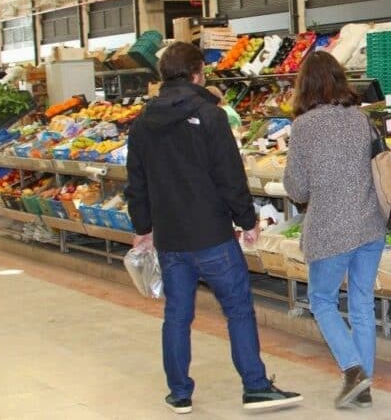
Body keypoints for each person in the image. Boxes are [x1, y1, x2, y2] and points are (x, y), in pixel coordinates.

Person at [125, 42, 302, 414]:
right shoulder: (210, 116)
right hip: (213, 237)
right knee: (237, 309)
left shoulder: (143, 122)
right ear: (197, 74)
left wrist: (144, 227)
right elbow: (229, 176)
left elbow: (136, 182)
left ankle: (179, 393)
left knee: (177, 314)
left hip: (171, 240)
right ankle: (255, 387)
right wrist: (248, 220)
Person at [283, 51, 387, 410]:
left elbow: (296, 189)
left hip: (330, 230)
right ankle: (364, 385)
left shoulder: (303, 127)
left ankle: (353, 370)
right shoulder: (360, 119)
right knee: (361, 304)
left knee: (322, 301)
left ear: (305, 85)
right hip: (371, 225)